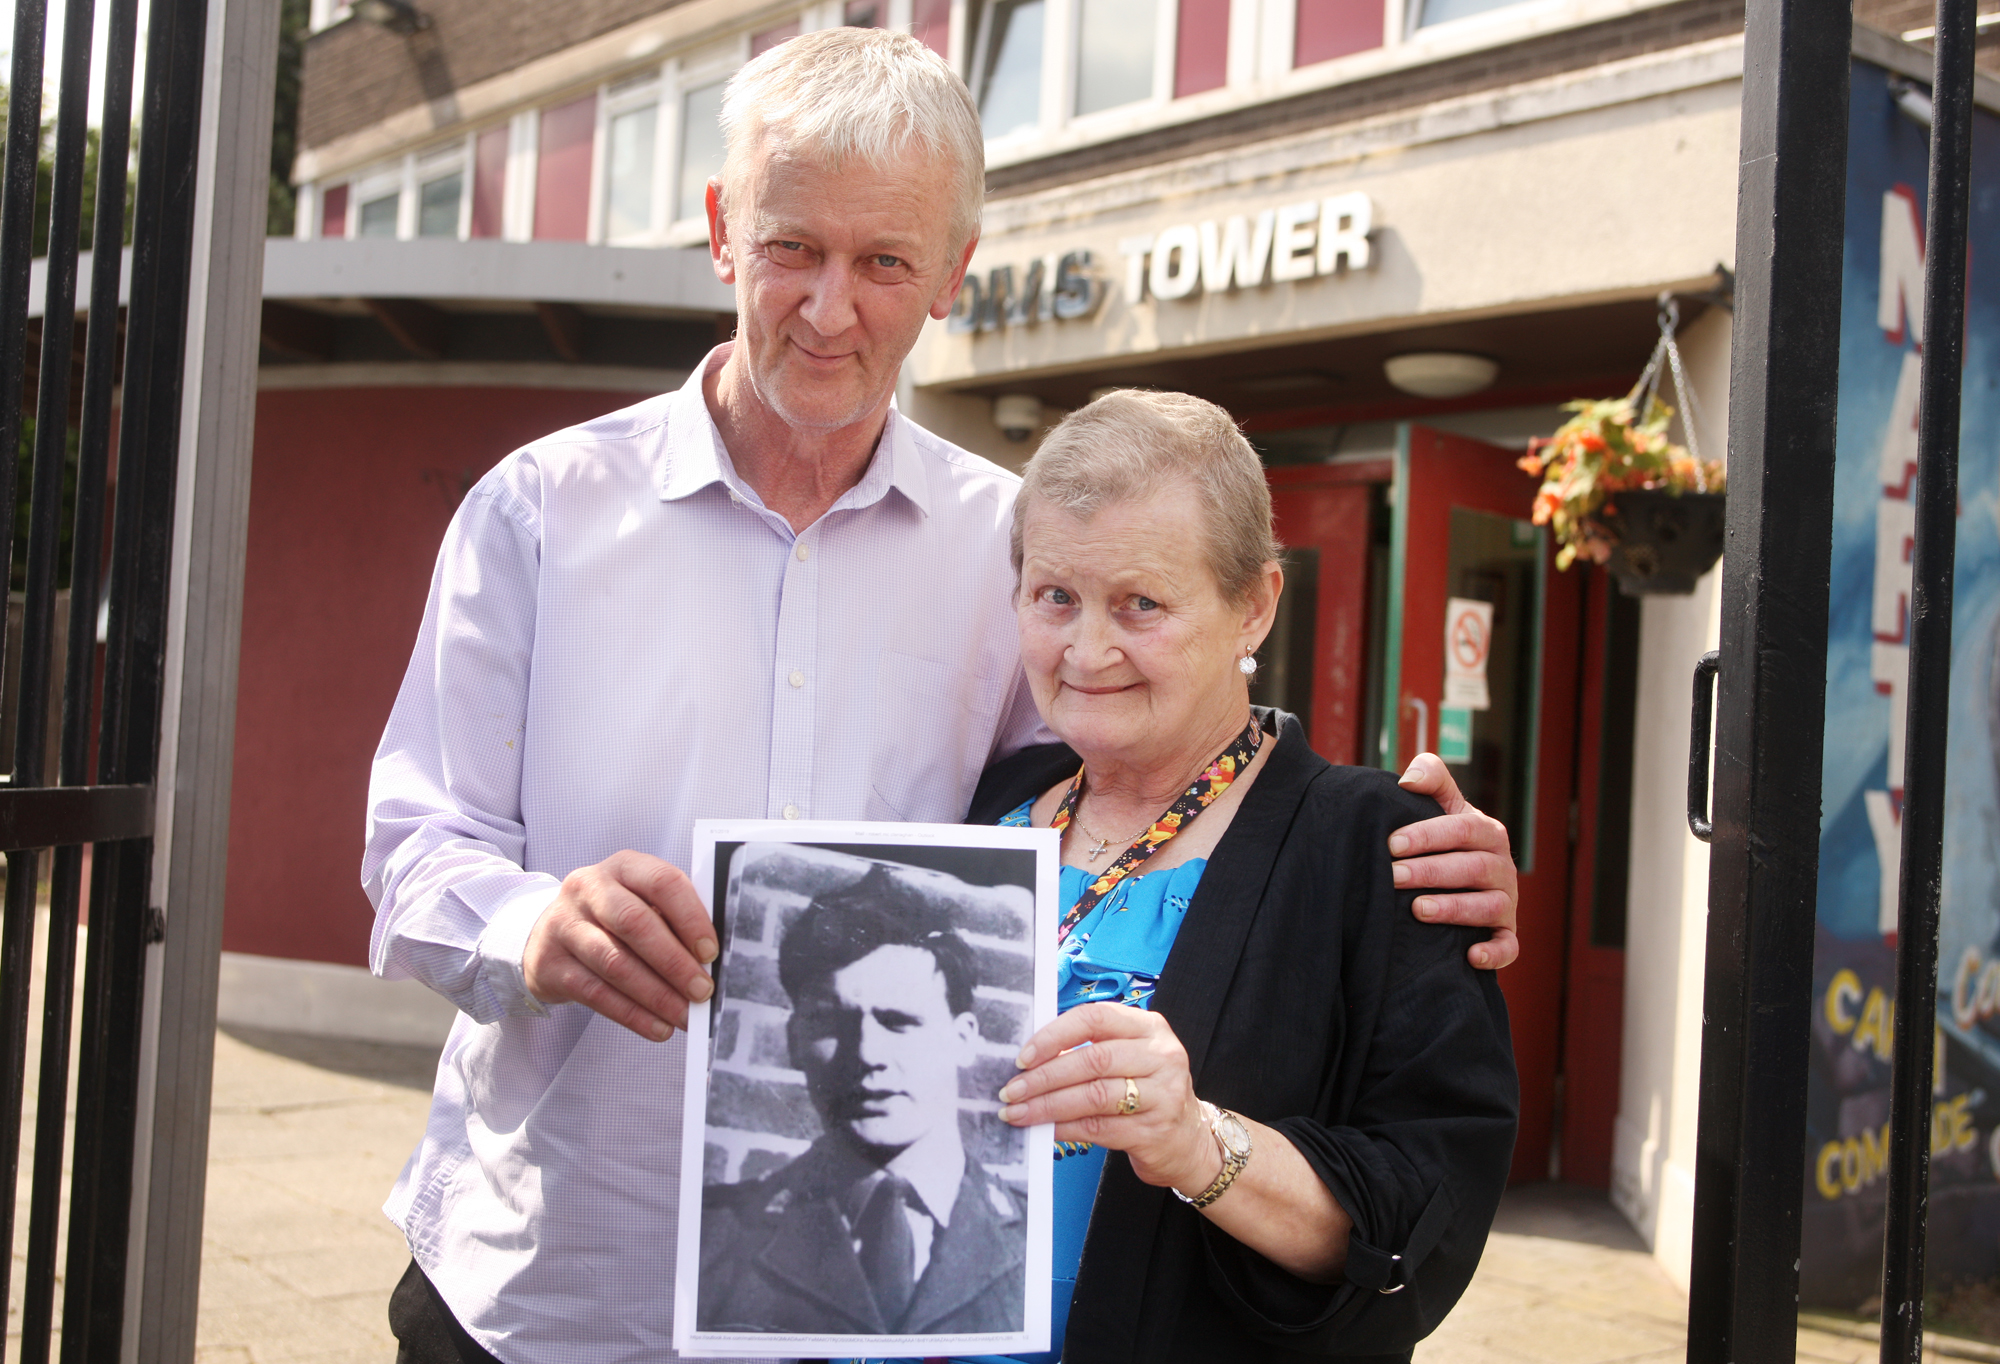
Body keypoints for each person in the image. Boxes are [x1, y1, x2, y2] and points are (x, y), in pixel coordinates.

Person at [363, 28, 1520, 1363]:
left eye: (886, 261)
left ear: (954, 279)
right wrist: (529, 924)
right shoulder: (539, 512)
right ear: (724, 231)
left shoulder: (1013, 548)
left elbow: (1154, 765)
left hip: (863, 1326)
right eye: (794, 245)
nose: (831, 307)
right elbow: (412, 852)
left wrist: (1412, 854)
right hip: (549, 1292)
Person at [961, 390, 1520, 1362]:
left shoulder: (1384, 852)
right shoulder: (988, 797)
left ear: (1254, 602)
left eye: (1140, 602)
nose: (1087, 650)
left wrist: (1197, 1140)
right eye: (1055, 595)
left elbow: (1421, 1212)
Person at [698, 865, 1026, 1338]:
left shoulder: (1041, 1239)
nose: (867, 1054)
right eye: (830, 1021)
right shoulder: (715, 1237)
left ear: (963, 1038)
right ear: (794, 1040)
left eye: (899, 1021)